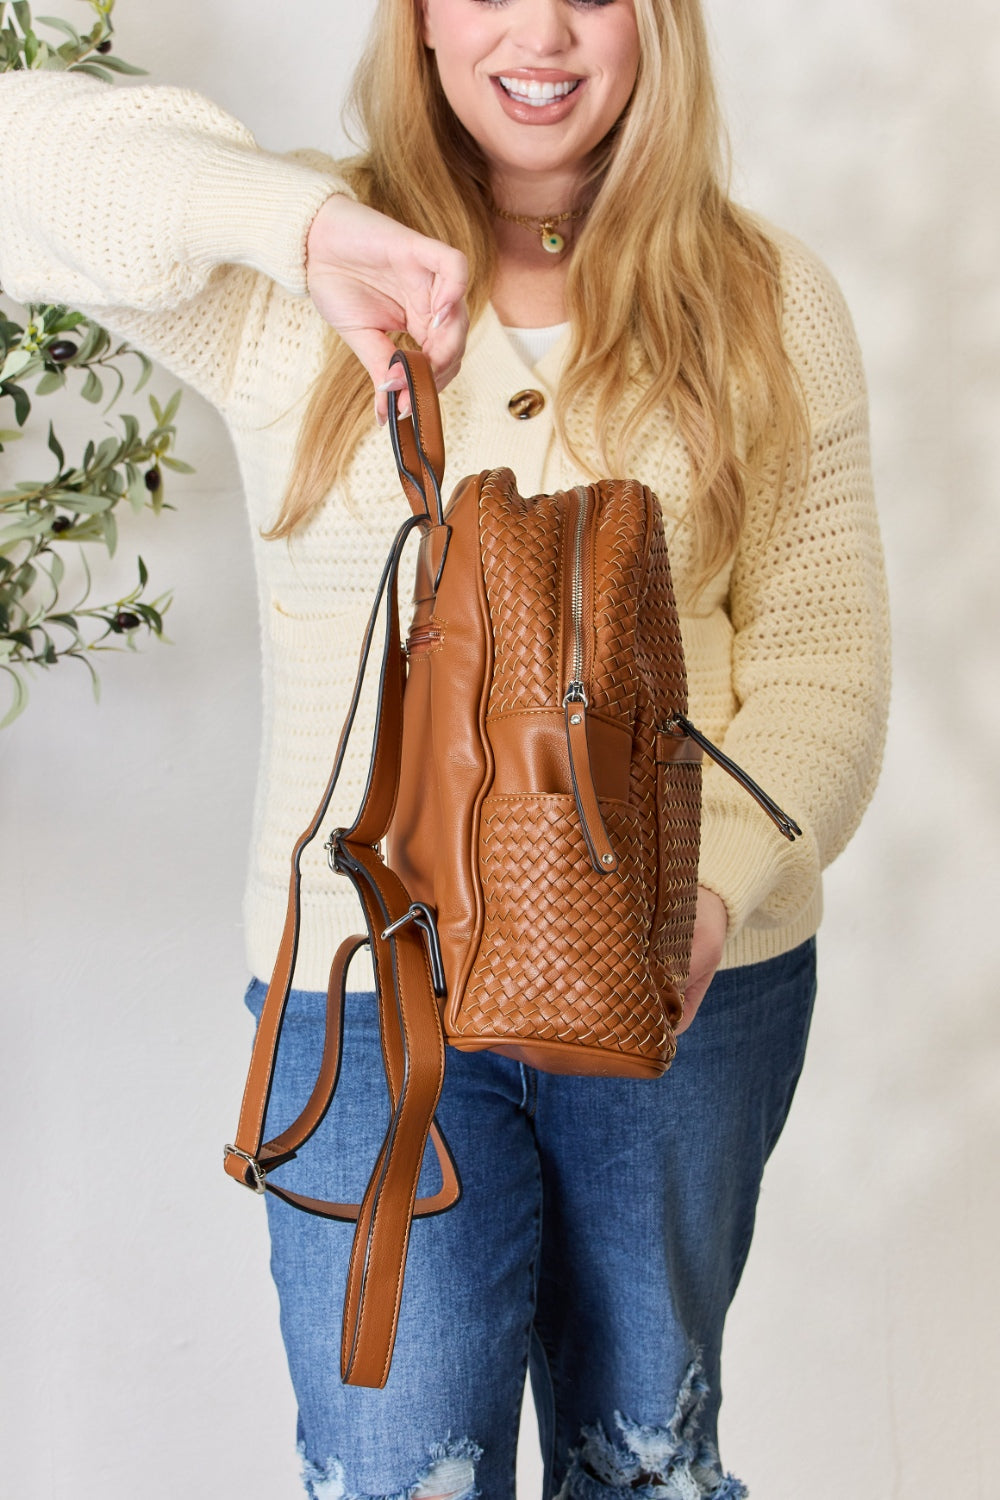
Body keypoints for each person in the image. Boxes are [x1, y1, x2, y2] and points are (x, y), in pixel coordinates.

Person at [0, 0, 889, 1495]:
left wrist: (706, 897)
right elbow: (21, 168)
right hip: (366, 991)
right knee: (396, 1467)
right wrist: (299, 229)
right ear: (418, 21)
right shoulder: (295, 274)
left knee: (647, 1460)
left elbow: (823, 661)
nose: (538, 29)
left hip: (691, 981)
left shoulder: (762, 296)